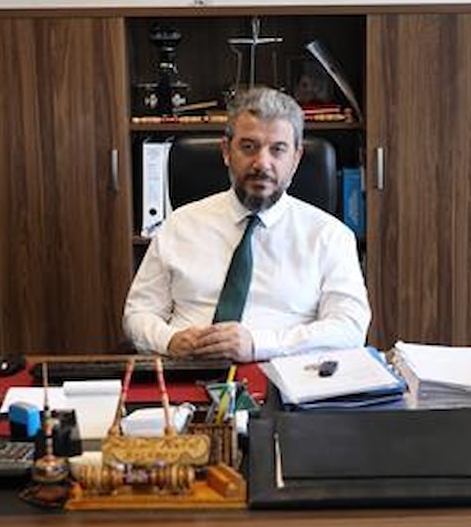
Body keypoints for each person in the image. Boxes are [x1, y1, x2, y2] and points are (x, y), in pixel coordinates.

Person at [123, 87, 370, 362]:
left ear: (296, 159)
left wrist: (259, 344)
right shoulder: (180, 224)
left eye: (278, 150)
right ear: (226, 151)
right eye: (249, 147)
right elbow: (138, 313)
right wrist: (169, 340)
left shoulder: (329, 236)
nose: (262, 163)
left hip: (284, 376)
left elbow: (350, 327)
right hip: (188, 372)